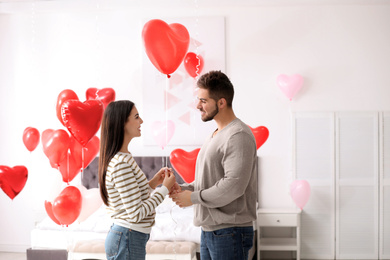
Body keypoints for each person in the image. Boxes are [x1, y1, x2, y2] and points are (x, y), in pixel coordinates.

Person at [170, 70, 257, 260]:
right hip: (211, 231)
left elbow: (233, 186)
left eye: (203, 100)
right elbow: (209, 180)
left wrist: (192, 197)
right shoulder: (217, 134)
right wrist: (180, 188)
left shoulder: (238, 135)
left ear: (221, 102)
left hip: (229, 232)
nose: (197, 105)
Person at [98, 100, 176, 260]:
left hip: (129, 237)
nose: (141, 121)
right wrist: (164, 189)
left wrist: (154, 182)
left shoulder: (124, 158)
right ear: (122, 123)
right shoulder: (121, 163)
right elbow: (135, 213)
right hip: (128, 237)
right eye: (136, 117)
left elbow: (133, 197)